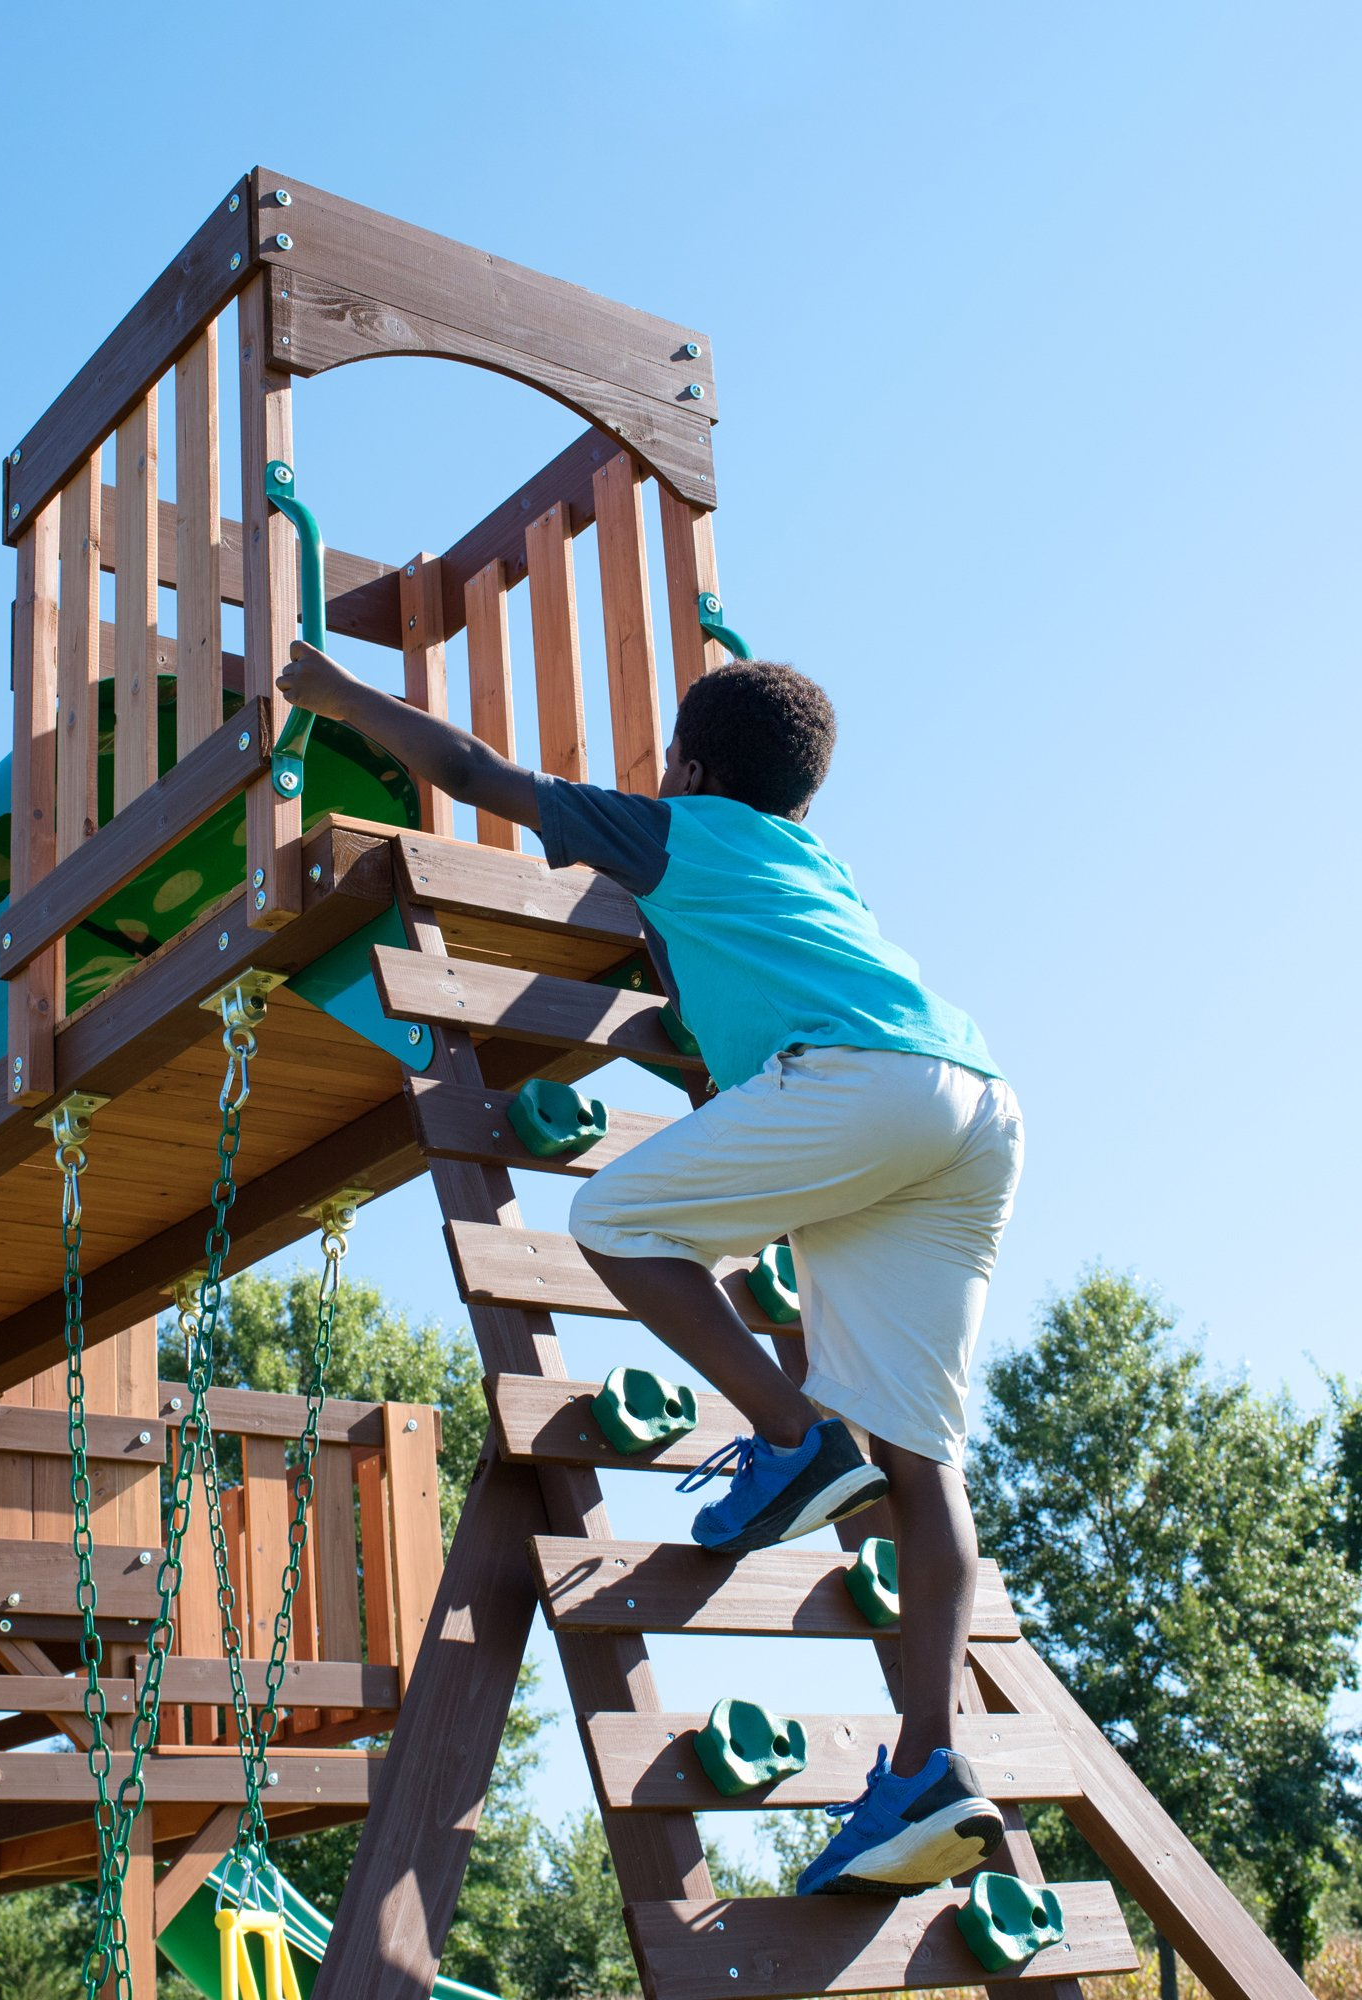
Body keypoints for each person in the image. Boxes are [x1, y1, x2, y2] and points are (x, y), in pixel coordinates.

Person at [275, 639, 1023, 1897]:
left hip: (857, 1084)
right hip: (973, 1101)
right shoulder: (807, 866)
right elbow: (702, 1011)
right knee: (922, 1454)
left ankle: (792, 1434)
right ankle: (930, 1765)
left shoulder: (671, 828)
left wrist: (336, 695)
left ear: (684, 765)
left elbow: (475, 769)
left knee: (617, 1220)